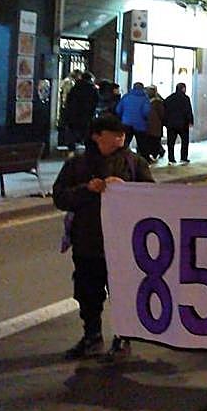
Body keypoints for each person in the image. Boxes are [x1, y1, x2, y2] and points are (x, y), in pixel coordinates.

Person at [53, 114, 154, 362]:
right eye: (114, 133)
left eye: (122, 133)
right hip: (88, 241)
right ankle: (92, 337)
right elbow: (60, 197)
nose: (121, 137)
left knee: (123, 292)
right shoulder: (77, 164)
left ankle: (123, 339)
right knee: (87, 292)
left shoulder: (134, 163)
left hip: (124, 243)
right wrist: (87, 189)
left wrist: (126, 190)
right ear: (97, 136)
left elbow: (152, 198)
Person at [63, 72, 99, 151]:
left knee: (73, 131)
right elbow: (96, 102)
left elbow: (68, 101)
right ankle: (88, 150)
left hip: (74, 114)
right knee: (87, 133)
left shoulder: (75, 88)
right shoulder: (93, 89)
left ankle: (71, 149)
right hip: (87, 114)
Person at [162, 82, 194, 164]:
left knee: (171, 142)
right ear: (183, 89)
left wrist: (165, 123)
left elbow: (164, 111)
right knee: (185, 142)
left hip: (171, 124)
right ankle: (183, 158)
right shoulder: (186, 98)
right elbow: (188, 111)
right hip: (183, 124)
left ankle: (171, 159)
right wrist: (190, 121)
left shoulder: (169, 98)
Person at [114, 82, 150, 152]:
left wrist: (123, 118)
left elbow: (118, 110)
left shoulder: (126, 97)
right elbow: (146, 112)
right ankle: (141, 157)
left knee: (124, 143)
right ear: (143, 89)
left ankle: (122, 156)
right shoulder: (145, 99)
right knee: (142, 145)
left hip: (126, 123)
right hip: (140, 125)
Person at [143, 86, 165, 163]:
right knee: (153, 140)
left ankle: (156, 153)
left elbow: (161, 114)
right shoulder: (155, 101)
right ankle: (157, 152)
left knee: (154, 141)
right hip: (151, 126)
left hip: (154, 125)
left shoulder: (157, 102)